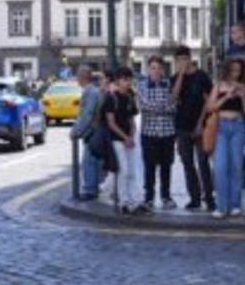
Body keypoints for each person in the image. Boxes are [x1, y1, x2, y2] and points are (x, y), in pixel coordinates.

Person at [207, 58, 245, 219]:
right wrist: (226, 96)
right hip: (221, 126)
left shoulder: (243, 87)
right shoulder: (218, 85)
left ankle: (235, 205)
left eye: (238, 70)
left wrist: (244, 96)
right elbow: (209, 107)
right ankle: (221, 206)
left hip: (238, 125)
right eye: (232, 70)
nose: (235, 73)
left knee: (236, 166)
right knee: (220, 167)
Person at [170, 48, 214, 211]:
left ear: (190, 59)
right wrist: (181, 75)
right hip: (182, 126)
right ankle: (194, 197)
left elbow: (208, 101)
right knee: (187, 163)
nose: (182, 62)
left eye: (185, 59)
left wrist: (200, 123)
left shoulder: (201, 77)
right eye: (179, 59)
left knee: (203, 162)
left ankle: (209, 197)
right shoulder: (175, 78)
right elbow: (173, 97)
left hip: (200, 125)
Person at [102, 67, 147, 215]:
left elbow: (131, 118)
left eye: (129, 79)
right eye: (124, 80)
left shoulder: (129, 97)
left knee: (132, 171)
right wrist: (125, 137)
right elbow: (111, 122)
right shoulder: (111, 98)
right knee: (123, 171)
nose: (127, 83)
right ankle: (123, 202)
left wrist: (132, 134)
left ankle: (134, 201)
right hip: (117, 140)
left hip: (129, 140)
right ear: (118, 81)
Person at [136, 56, 177, 210]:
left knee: (167, 166)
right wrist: (165, 106)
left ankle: (166, 197)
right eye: (153, 68)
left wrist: (163, 107)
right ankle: (149, 198)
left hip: (167, 133)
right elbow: (144, 106)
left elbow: (174, 107)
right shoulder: (141, 86)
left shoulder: (169, 85)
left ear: (163, 70)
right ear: (148, 69)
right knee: (149, 167)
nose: (156, 71)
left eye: (159, 68)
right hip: (149, 133)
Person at [70, 66, 106, 200]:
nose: (76, 78)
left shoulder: (90, 92)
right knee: (92, 162)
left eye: (78, 75)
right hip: (93, 131)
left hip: (92, 133)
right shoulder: (92, 91)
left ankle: (90, 190)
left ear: (82, 77)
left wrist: (76, 131)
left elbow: (87, 114)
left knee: (89, 162)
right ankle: (92, 188)